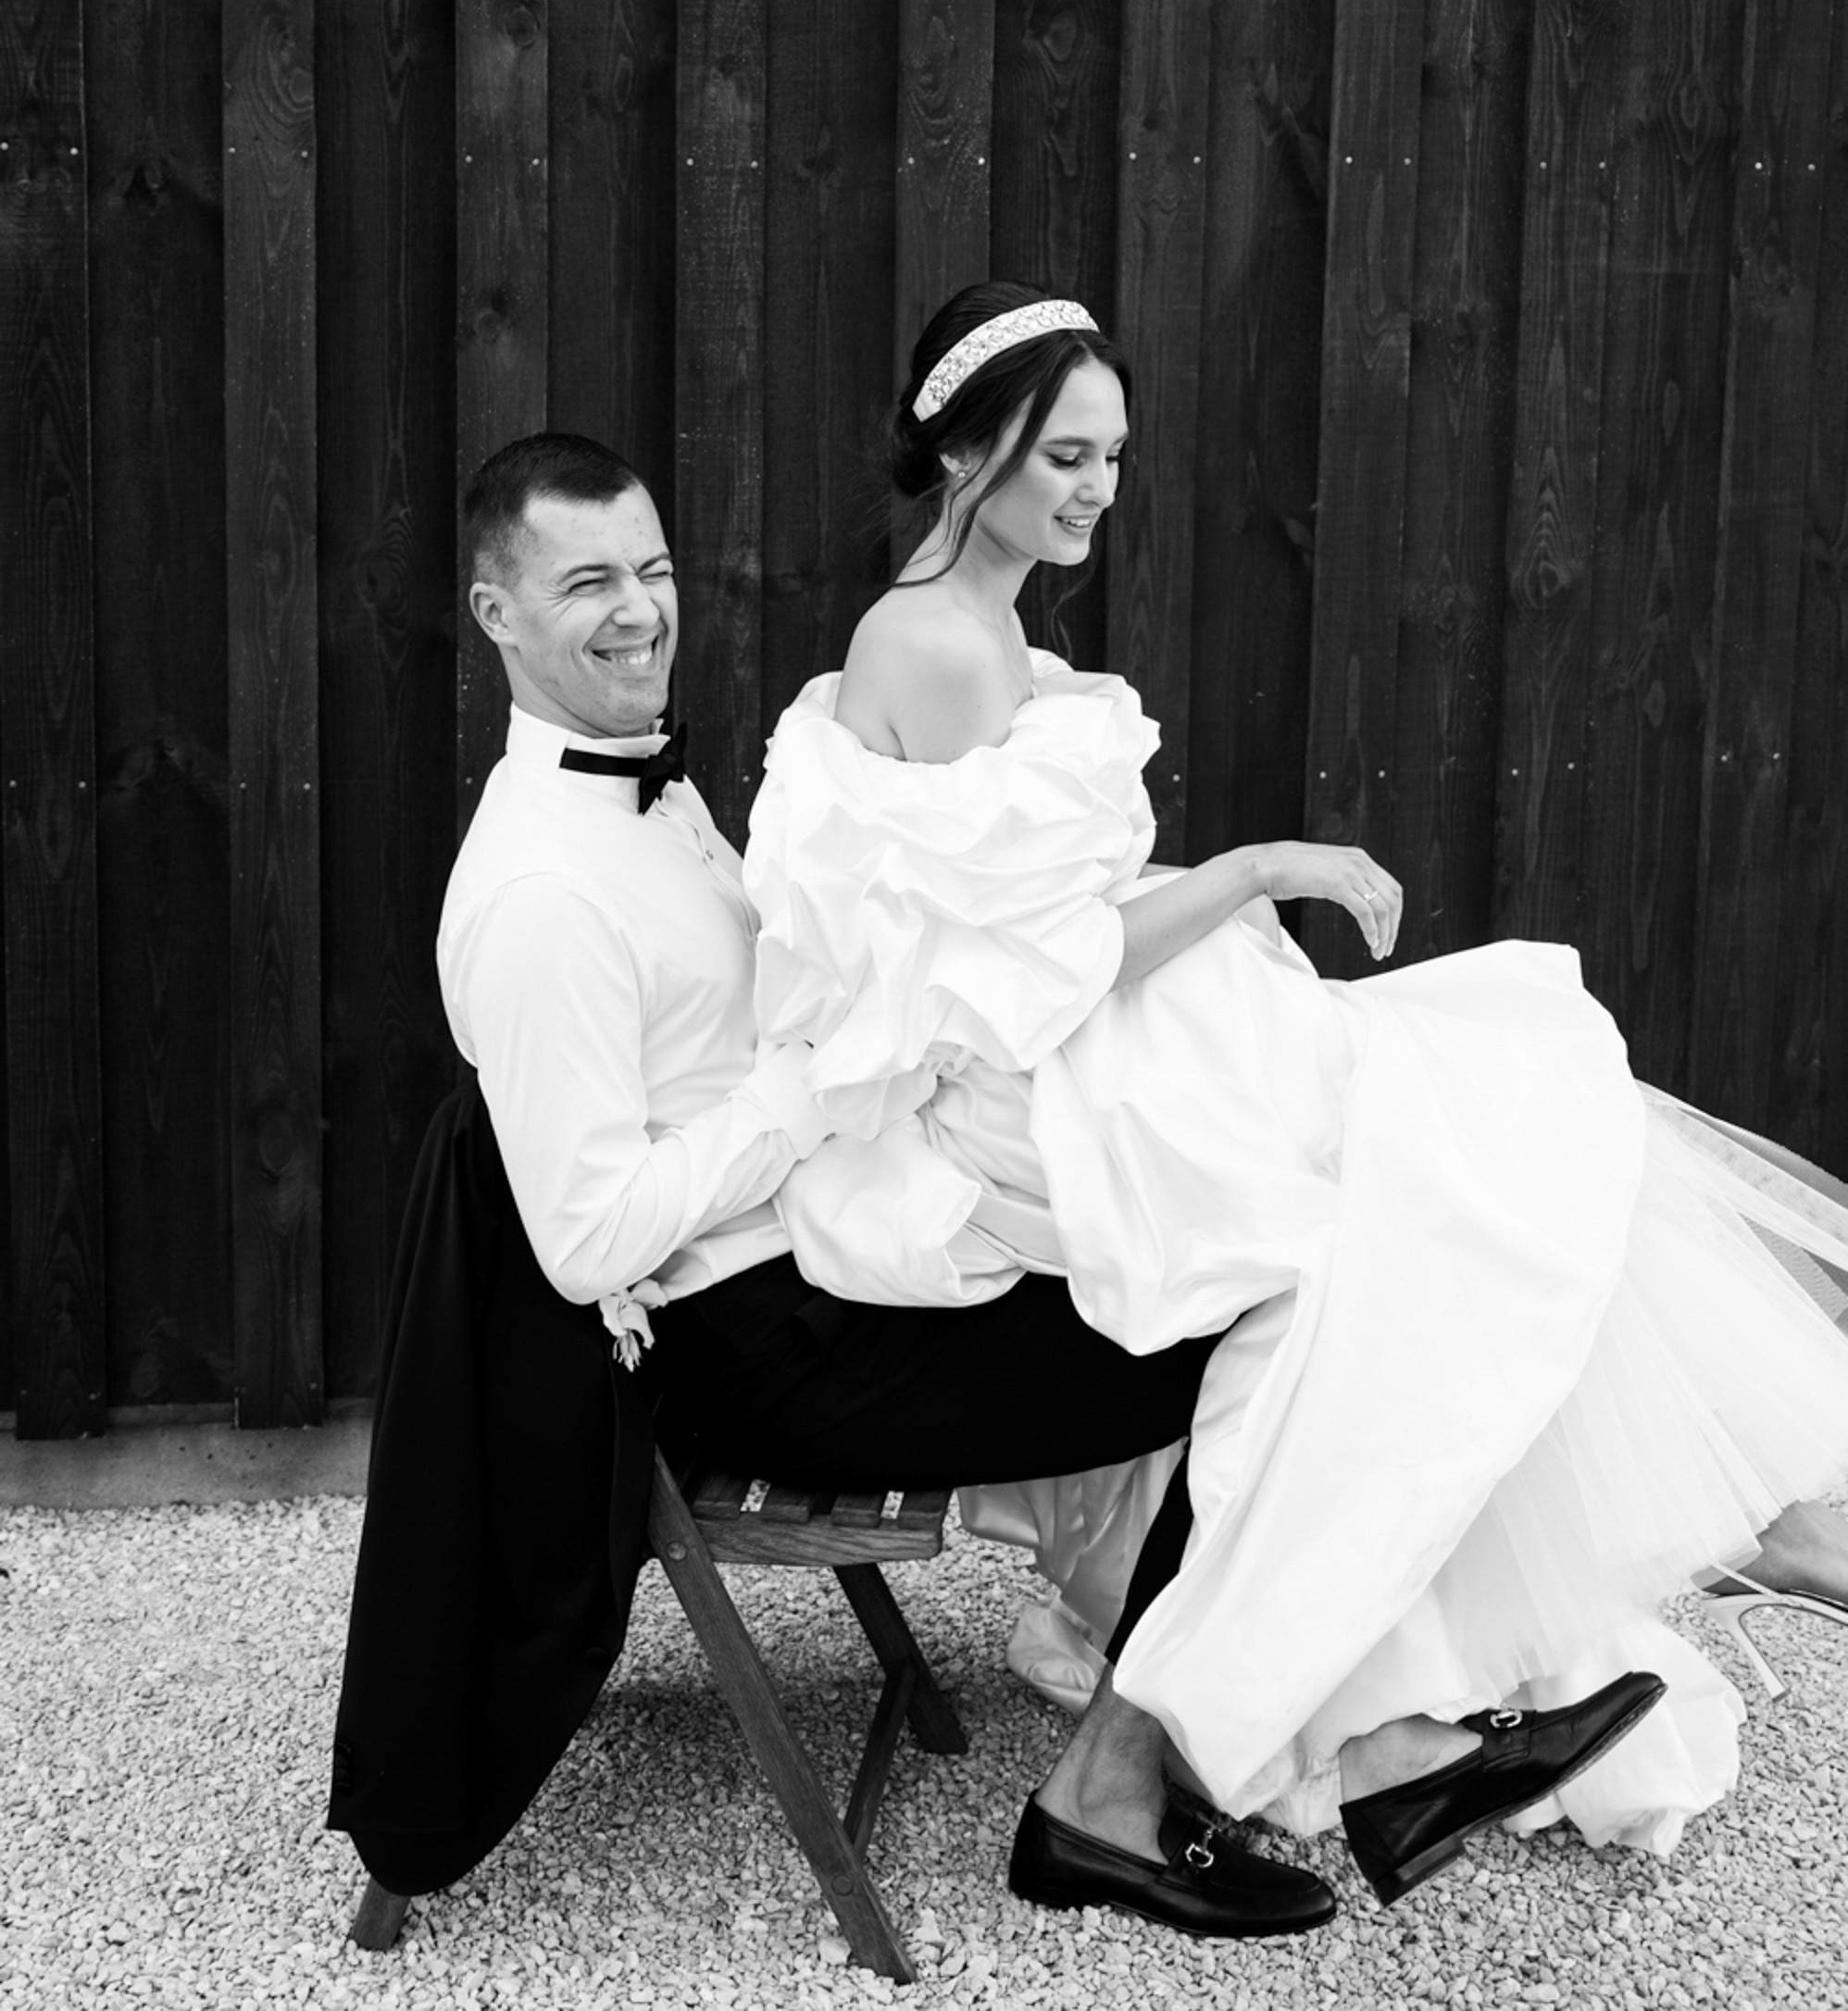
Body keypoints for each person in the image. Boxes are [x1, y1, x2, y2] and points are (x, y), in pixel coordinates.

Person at [742, 281, 1848, 1905]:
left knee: (1464, 1139)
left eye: (1113, 457)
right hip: (1036, 1098)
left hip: (1076, 1045)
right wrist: (1267, 863)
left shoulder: (972, 622)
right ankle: (1368, 1727)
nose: (1095, 491)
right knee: (1425, 1188)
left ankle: (1388, 1720)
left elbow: (1019, 903)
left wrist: (1218, 897)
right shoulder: (938, 642)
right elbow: (1051, 961)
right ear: (965, 446)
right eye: (1061, 456)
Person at [353, 429, 1342, 1939]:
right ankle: (1110, 1798)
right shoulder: (543, 892)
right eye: (588, 584)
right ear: (496, 615)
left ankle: (1298, 1697)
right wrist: (809, 1082)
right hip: (775, 1354)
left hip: (840, 1255)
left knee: (1226, 1197)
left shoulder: (644, 789)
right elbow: (583, 1239)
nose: (640, 611)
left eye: (657, 569)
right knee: (1281, 1317)